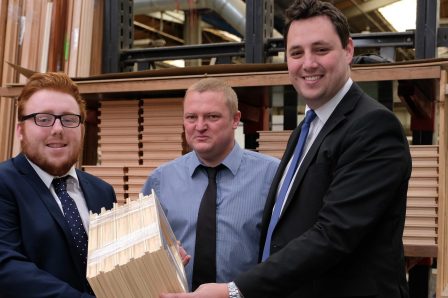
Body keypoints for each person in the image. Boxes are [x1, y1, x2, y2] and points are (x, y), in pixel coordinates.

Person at [160, 0, 412, 297]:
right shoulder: (306, 131)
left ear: (348, 50)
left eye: (321, 49)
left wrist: (233, 290)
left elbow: (333, 235)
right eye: (296, 53)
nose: (308, 63)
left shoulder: (372, 127)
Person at [142, 78, 279, 290]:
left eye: (212, 117)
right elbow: (142, 253)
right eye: (191, 117)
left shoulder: (272, 176)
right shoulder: (160, 181)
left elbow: (286, 254)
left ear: (235, 119)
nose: (200, 126)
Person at [0, 72, 117, 297]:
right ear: (20, 131)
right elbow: (7, 268)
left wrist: (159, 258)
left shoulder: (103, 192)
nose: (57, 129)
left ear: (81, 129)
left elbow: (113, 263)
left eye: (69, 119)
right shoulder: (5, 184)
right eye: (43, 119)